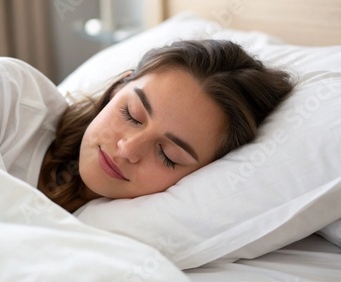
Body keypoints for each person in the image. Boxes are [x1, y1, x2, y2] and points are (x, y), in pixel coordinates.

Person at [36, 39, 294, 212]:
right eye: (132, 115)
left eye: (167, 155)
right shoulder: (15, 104)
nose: (127, 149)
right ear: (119, 87)